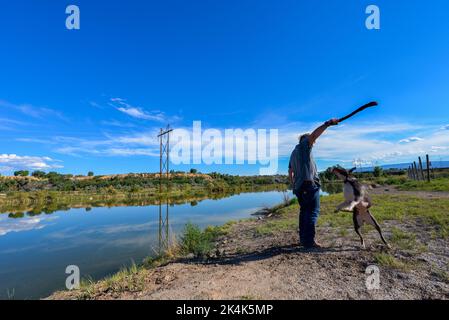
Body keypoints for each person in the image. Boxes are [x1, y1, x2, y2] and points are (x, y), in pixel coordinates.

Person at [288, 118, 339, 248]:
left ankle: (303, 239)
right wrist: (327, 124)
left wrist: (294, 185)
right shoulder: (304, 146)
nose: (314, 142)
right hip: (309, 185)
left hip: (299, 187)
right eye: (312, 141)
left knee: (304, 212)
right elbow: (314, 135)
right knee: (312, 212)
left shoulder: (293, 153)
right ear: (306, 140)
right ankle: (309, 241)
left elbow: (290, 171)